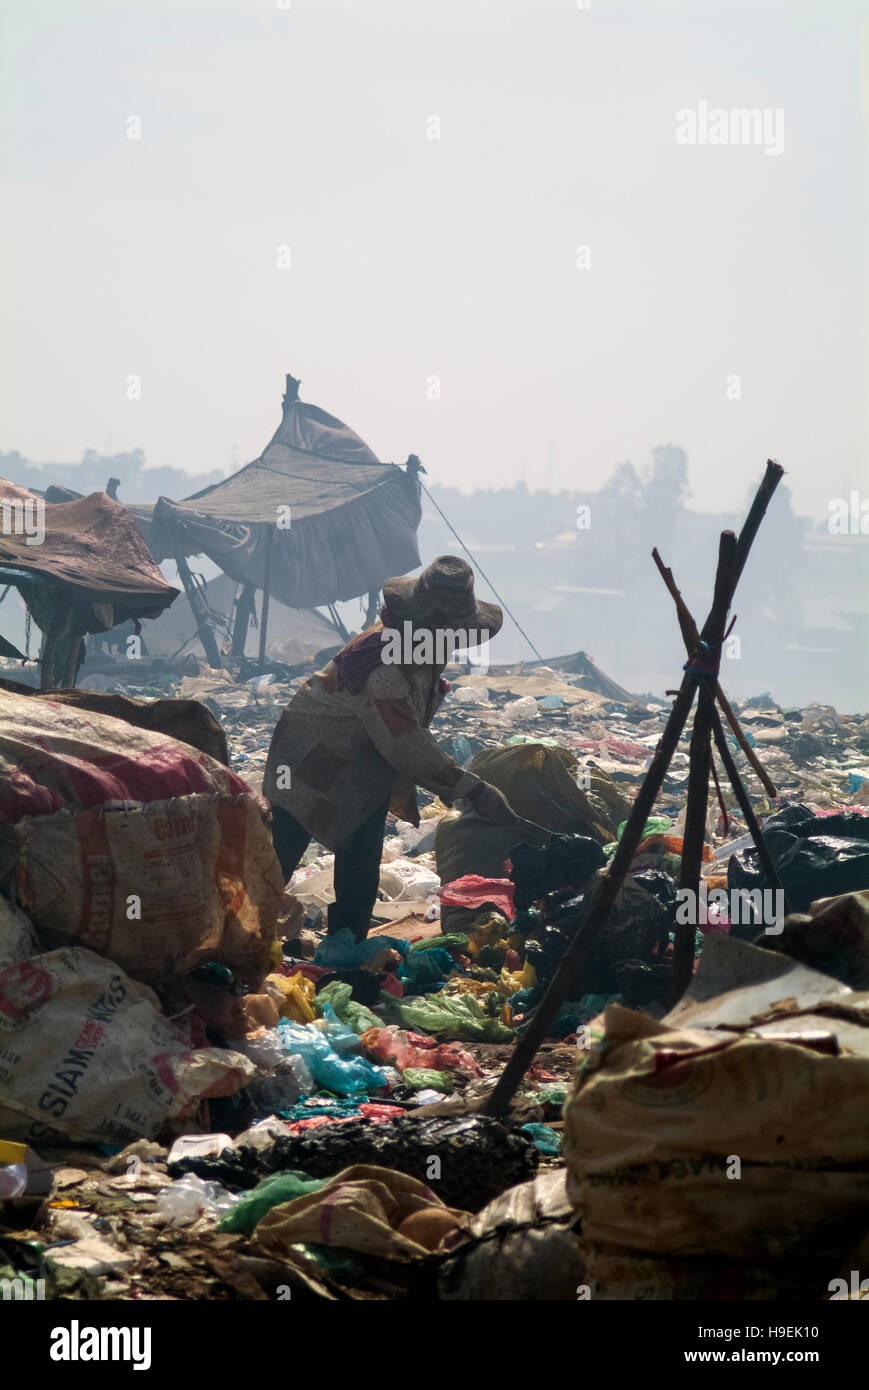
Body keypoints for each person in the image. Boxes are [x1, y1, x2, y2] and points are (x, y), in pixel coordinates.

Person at [263, 555, 518, 940]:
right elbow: (406, 744)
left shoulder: (420, 649)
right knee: (277, 859)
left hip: (362, 764)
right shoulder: (385, 664)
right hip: (309, 763)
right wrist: (474, 790)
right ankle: (231, 937)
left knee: (361, 859)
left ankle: (346, 948)